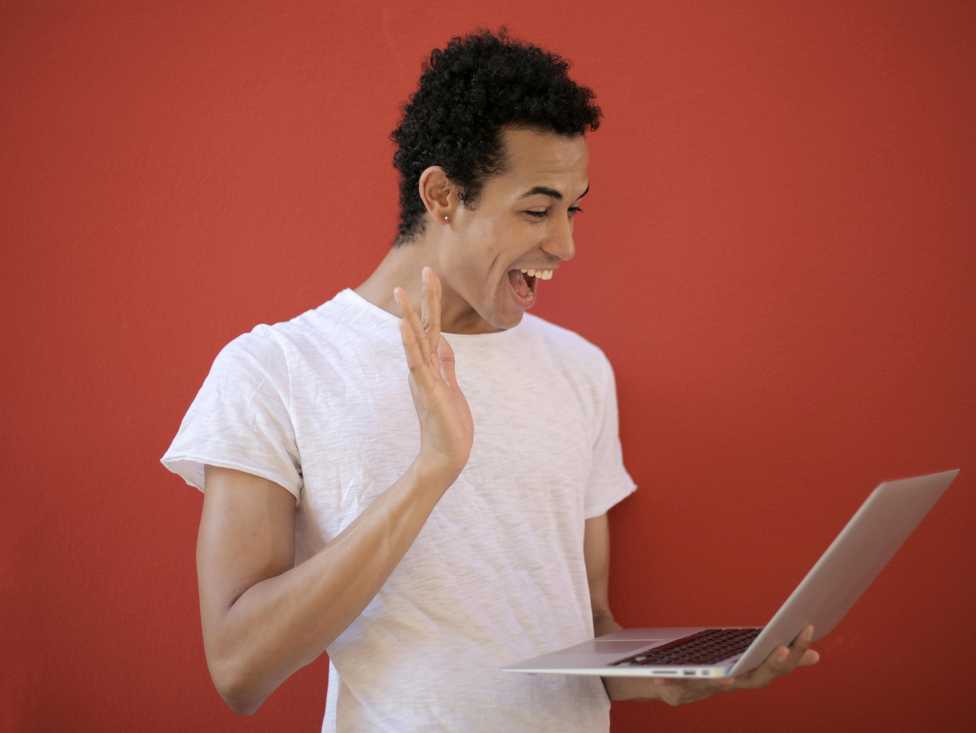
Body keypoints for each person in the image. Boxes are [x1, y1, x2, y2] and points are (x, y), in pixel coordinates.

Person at [159, 25, 819, 732]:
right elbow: (239, 667)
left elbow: (588, 624)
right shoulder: (276, 370)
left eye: (574, 208)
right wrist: (431, 472)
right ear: (442, 196)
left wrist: (665, 675)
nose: (565, 244)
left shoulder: (580, 370)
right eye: (537, 209)